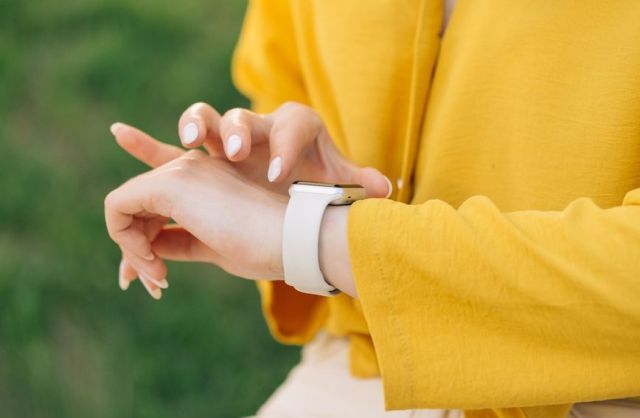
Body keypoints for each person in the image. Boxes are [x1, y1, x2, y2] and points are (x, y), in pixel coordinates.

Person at [104, 0, 640, 417]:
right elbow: (283, 67)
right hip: (368, 364)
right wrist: (294, 180)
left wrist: (314, 236)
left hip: (598, 394)